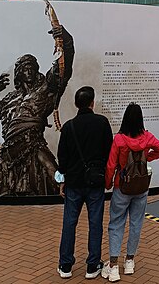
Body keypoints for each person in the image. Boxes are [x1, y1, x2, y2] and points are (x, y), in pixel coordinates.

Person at [0, 24, 74, 196]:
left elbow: (63, 69)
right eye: (24, 68)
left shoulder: (46, 90)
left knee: (57, 176)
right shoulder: (10, 98)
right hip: (8, 153)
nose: (28, 70)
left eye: (31, 67)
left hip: (34, 146)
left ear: (36, 70)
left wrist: (66, 40)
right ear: (18, 73)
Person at [102, 103, 159, 282]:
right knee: (136, 223)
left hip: (122, 187)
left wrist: (108, 183)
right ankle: (130, 261)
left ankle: (114, 266)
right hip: (141, 187)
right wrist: (147, 158)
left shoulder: (119, 140)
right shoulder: (147, 137)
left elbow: (110, 165)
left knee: (116, 223)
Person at [57, 86, 113, 279]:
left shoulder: (68, 126)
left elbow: (62, 158)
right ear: (92, 102)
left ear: (75, 104)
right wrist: (107, 176)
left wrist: (61, 180)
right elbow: (109, 152)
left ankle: (65, 266)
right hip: (95, 182)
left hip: (73, 182)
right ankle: (92, 266)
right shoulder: (102, 123)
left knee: (69, 223)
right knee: (95, 223)